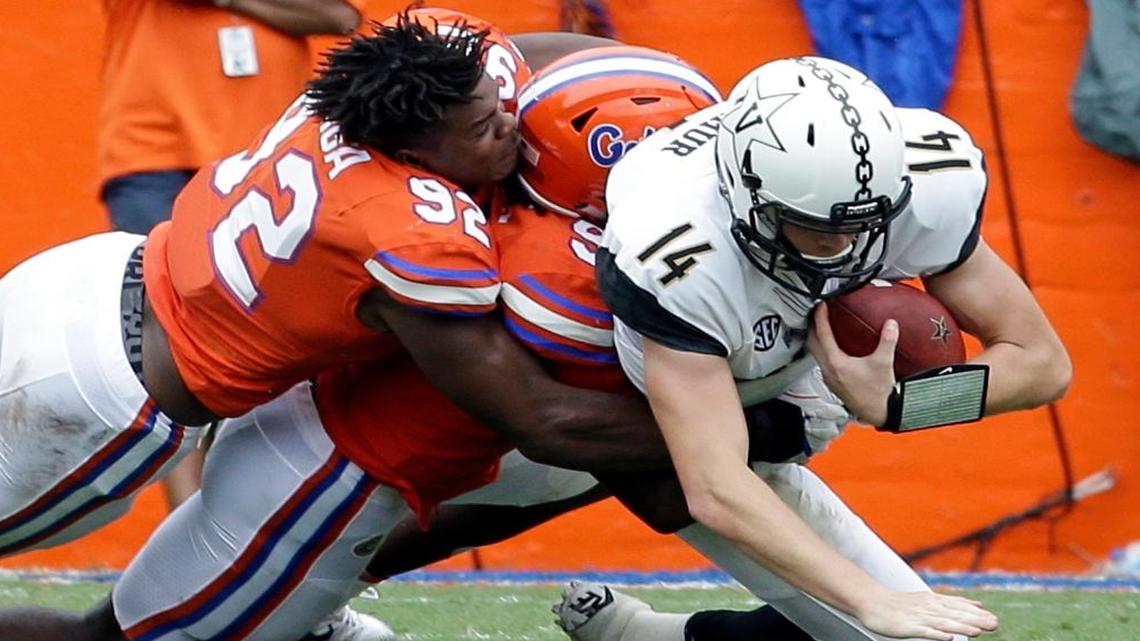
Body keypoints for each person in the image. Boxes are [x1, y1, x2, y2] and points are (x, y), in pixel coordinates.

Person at [0, 43, 728, 641]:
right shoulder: (408, 228)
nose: (513, 128)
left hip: (85, 280)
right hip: (103, 398)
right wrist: (738, 429)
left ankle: (303, 608)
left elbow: (544, 61)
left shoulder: (394, 79)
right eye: (481, 130)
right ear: (416, 151)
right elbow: (537, 417)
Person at [550, 55, 1071, 641]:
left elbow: (1043, 365)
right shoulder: (677, 249)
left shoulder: (926, 181)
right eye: (821, 228)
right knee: (885, 628)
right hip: (684, 388)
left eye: (868, 224)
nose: (848, 246)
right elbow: (717, 486)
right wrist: (871, 601)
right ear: (748, 197)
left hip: (801, 369)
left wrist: (901, 405)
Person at [100, 0, 364, 508]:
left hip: (272, 165)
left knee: (280, 347)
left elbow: (340, 15)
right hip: (157, 156)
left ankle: (247, 522)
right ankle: (186, 526)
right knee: (163, 346)